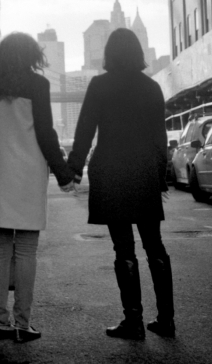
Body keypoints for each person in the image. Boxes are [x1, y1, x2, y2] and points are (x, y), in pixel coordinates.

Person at [68, 28, 173, 341]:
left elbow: (84, 130)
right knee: (155, 245)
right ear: (139, 53)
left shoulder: (100, 85)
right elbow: (160, 138)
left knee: (123, 248)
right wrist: (160, 176)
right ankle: (166, 320)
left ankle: (134, 321)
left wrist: (73, 168)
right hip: (143, 172)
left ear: (109, 54)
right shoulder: (152, 87)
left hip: (111, 172)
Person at [0, 32, 76, 343]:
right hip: (27, 174)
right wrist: (63, 174)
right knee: (27, 251)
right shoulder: (38, 85)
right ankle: (22, 323)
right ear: (33, 55)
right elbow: (46, 133)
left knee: (1, 250)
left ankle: (0, 323)